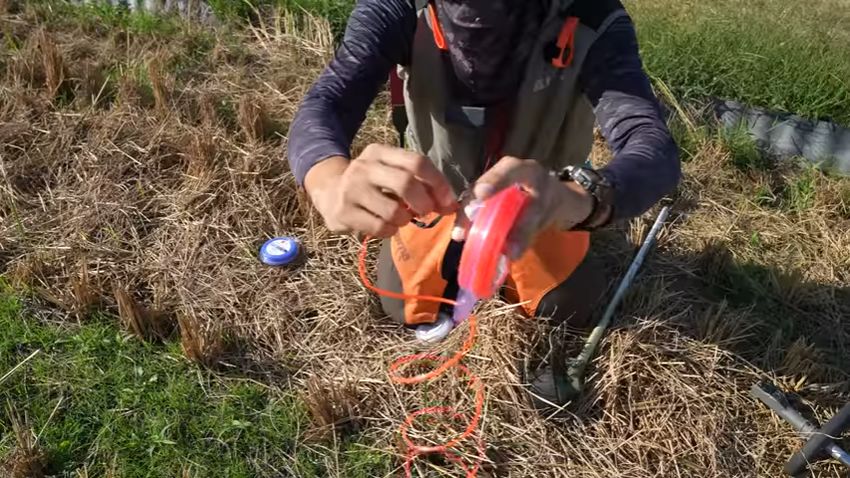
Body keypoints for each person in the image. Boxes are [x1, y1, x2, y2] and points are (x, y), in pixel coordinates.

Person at [287, 0, 681, 407]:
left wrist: (579, 198)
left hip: (539, 209)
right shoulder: (399, 9)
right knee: (401, 302)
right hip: (435, 202)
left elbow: (652, 147)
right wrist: (327, 178)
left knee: (565, 305)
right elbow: (326, 105)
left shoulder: (593, 20)